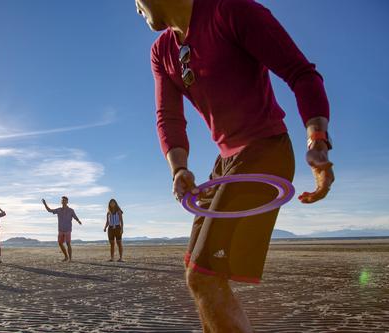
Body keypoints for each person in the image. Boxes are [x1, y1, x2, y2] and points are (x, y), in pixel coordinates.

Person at [136, 0, 335, 331]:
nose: (135, 8)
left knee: (204, 276)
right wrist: (179, 168)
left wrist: (317, 140)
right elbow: (168, 117)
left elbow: (301, 73)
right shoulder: (161, 51)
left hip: (265, 152)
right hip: (226, 163)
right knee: (196, 273)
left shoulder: (231, 11)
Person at [42, 197, 82, 262]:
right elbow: (49, 210)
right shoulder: (59, 210)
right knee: (60, 243)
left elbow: (75, 216)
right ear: (61, 202)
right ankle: (66, 256)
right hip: (60, 229)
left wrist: (78, 221)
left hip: (68, 229)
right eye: (62, 200)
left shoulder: (71, 210)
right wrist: (45, 204)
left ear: (67, 202)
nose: (63, 201)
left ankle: (70, 259)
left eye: (65, 200)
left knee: (68, 243)